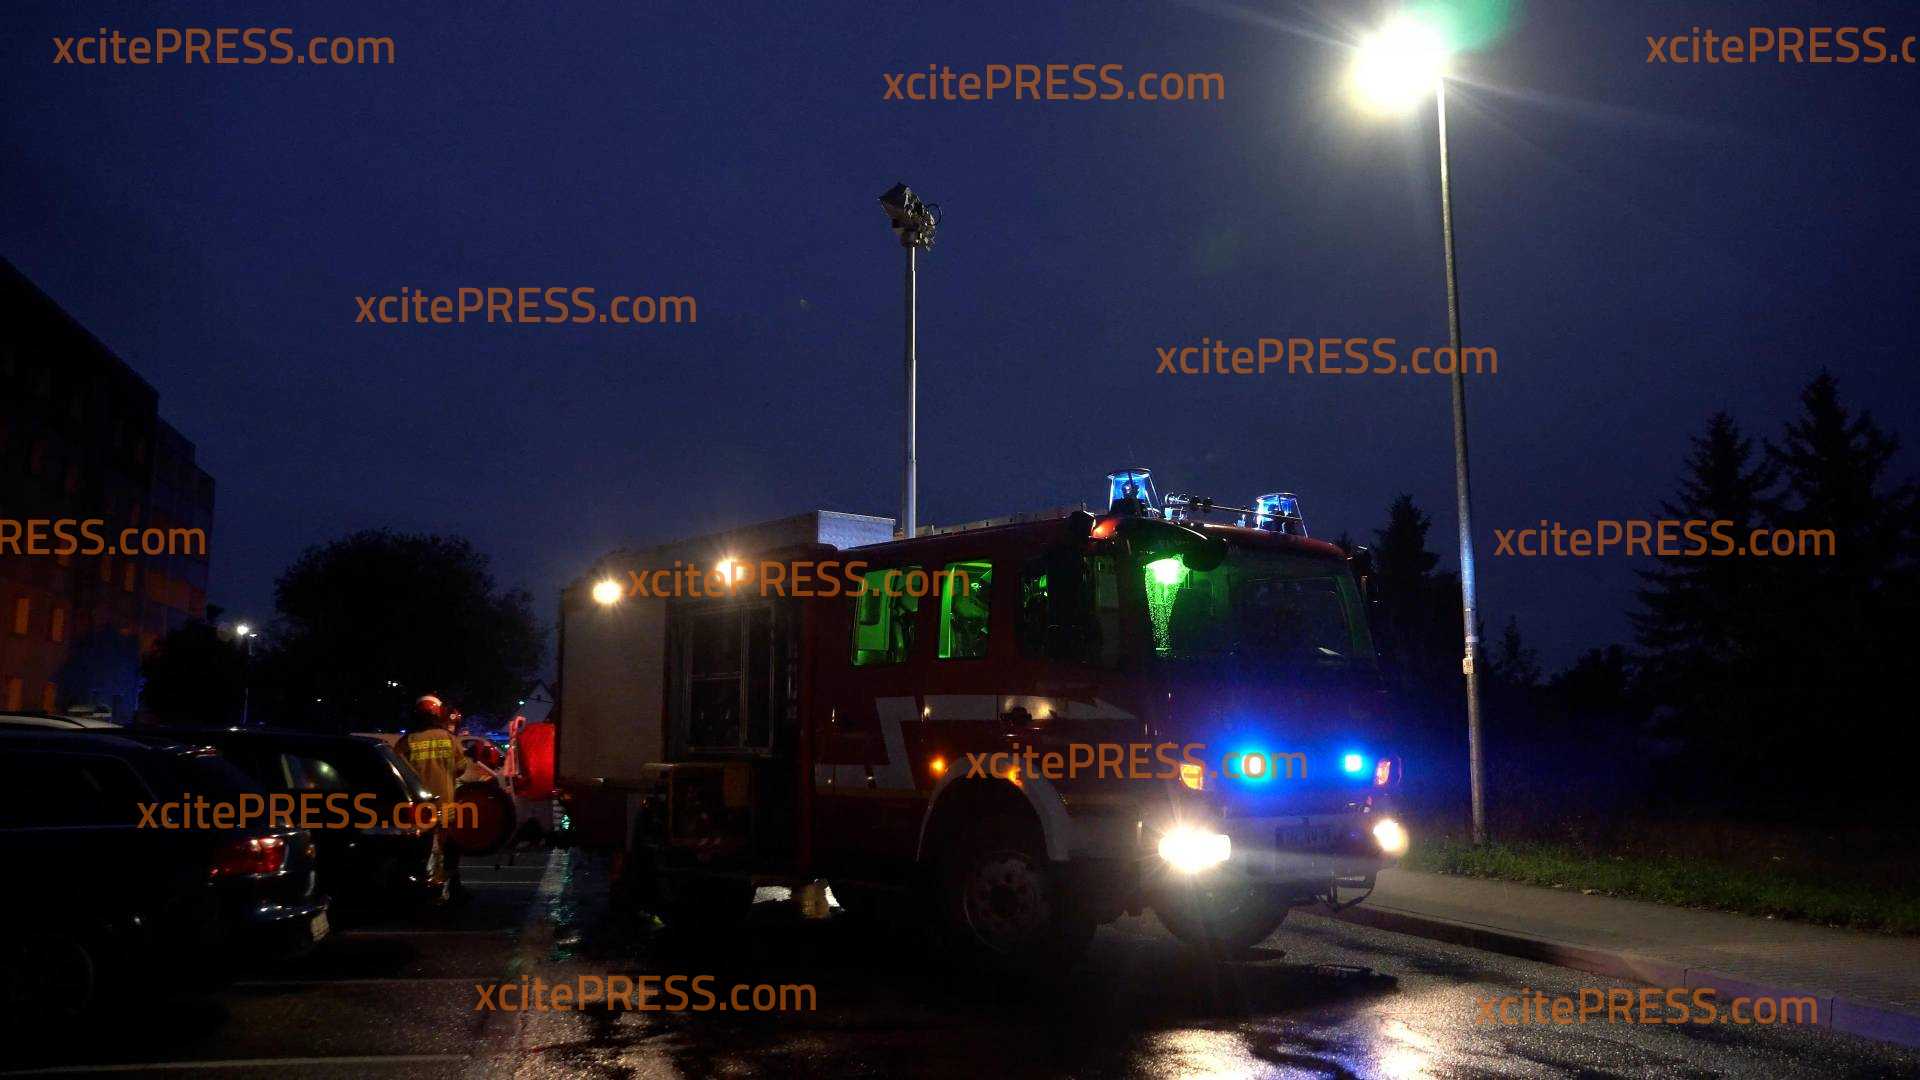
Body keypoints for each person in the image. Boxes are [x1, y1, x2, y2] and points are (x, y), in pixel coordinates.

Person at [397, 694, 469, 902]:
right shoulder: (449, 738)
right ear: (438, 714)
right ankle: (453, 889)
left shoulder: (407, 741)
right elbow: (461, 768)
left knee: (421, 850)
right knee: (451, 848)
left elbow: (399, 774)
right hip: (445, 804)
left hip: (419, 807)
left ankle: (422, 890)